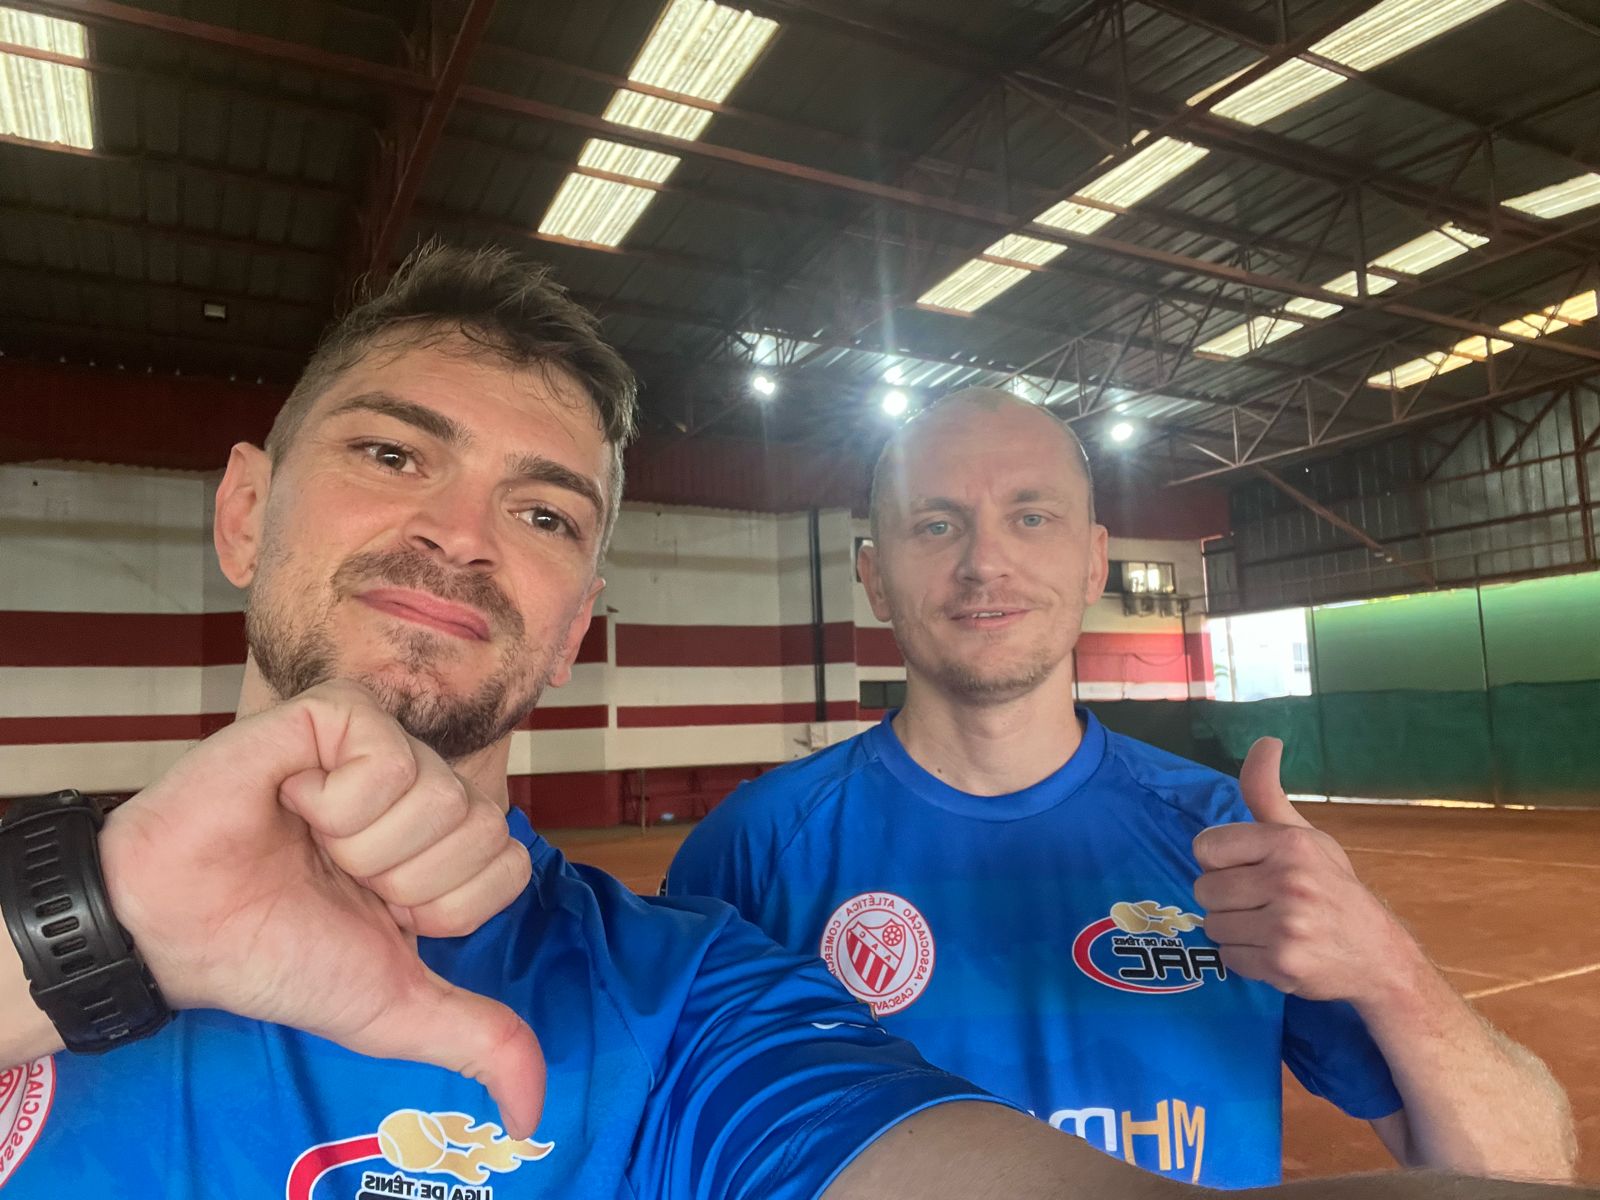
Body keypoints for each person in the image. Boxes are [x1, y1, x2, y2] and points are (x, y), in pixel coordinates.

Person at [0, 249, 1584, 1200]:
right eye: (394, 456)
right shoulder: (760, 848)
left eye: (542, 513)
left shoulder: (676, 1004)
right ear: (244, 509)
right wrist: (94, 927)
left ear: (582, 613)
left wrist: (1388, 968)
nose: (461, 535)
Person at [666, 387, 1579, 1189]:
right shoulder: (751, 852)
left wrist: (1389, 969)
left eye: (1032, 517)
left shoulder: (1228, 845)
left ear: (1094, 561)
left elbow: (1524, 1174)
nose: (985, 562)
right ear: (874, 576)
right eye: (935, 524)